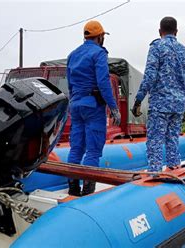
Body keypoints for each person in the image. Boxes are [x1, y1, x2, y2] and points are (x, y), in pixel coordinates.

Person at [66, 20, 121, 196]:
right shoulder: (99, 53)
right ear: (100, 37)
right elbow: (103, 82)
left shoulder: (72, 55)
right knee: (93, 150)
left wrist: (74, 101)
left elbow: (70, 84)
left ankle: (73, 188)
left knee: (76, 148)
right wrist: (113, 107)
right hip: (92, 106)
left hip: (75, 105)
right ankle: (88, 191)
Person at [131, 16, 185, 172]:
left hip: (160, 104)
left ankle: (155, 173)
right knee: (173, 140)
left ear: (160, 31)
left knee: (155, 142)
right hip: (178, 105)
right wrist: (184, 105)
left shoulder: (157, 47)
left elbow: (150, 76)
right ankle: (174, 169)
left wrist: (138, 100)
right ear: (176, 32)